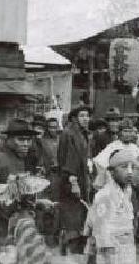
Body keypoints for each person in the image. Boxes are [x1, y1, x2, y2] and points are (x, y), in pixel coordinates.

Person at [0, 119, 38, 264]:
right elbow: (1, 199)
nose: (26, 144)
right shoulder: (3, 160)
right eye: (21, 139)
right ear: (9, 140)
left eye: (28, 140)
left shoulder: (17, 158)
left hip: (12, 223)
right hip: (2, 225)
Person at [84, 149, 137, 264]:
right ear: (111, 172)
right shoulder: (105, 196)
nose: (129, 172)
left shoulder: (127, 192)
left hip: (125, 249)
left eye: (132, 167)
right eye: (124, 167)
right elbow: (102, 233)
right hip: (111, 253)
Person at [57, 105, 92, 256]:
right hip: (71, 180)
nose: (86, 118)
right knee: (73, 214)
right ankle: (69, 247)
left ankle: (74, 247)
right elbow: (68, 160)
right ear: (74, 118)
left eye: (87, 116)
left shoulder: (82, 134)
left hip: (82, 179)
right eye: (82, 115)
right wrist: (73, 183)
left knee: (80, 214)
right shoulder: (69, 134)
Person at [93, 117, 139, 190]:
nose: (128, 134)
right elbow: (100, 163)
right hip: (115, 184)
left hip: (131, 184)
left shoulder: (135, 148)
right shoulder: (113, 147)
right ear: (120, 132)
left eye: (130, 131)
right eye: (125, 131)